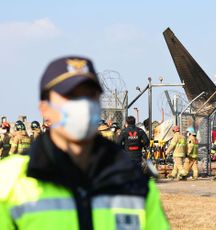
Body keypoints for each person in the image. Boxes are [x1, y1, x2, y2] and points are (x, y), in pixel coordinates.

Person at [0, 56, 169, 229]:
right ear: (45, 109)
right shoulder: (8, 181)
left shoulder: (133, 182)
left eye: (90, 96)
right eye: (70, 96)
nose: (82, 105)